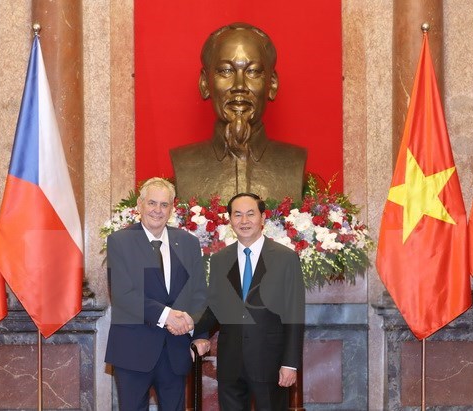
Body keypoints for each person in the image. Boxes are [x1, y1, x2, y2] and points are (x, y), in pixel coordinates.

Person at [170, 22, 307, 202]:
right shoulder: (184, 163)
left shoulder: (294, 162)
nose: (239, 86)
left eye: (253, 71)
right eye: (226, 71)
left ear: (272, 84)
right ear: (205, 83)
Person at [105, 177, 210, 411]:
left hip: (176, 351)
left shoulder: (188, 242)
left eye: (164, 205)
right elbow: (123, 294)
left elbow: (199, 292)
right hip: (133, 350)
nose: (157, 210)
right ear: (140, 205)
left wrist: (198, 332)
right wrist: (167, 316)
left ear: (172, 209)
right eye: (152, 203)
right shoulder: (120, 241)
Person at [194, 193, 305, 410]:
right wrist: (191, 326)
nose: (244, 221)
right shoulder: (219, 260)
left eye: (250, 214)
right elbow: (215, 307)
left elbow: (294, 313)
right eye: (238, 215)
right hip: (230, 363)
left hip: (271, 363)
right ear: (230, 220)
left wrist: (290, 363)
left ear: (262, 218)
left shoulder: (285, 258)